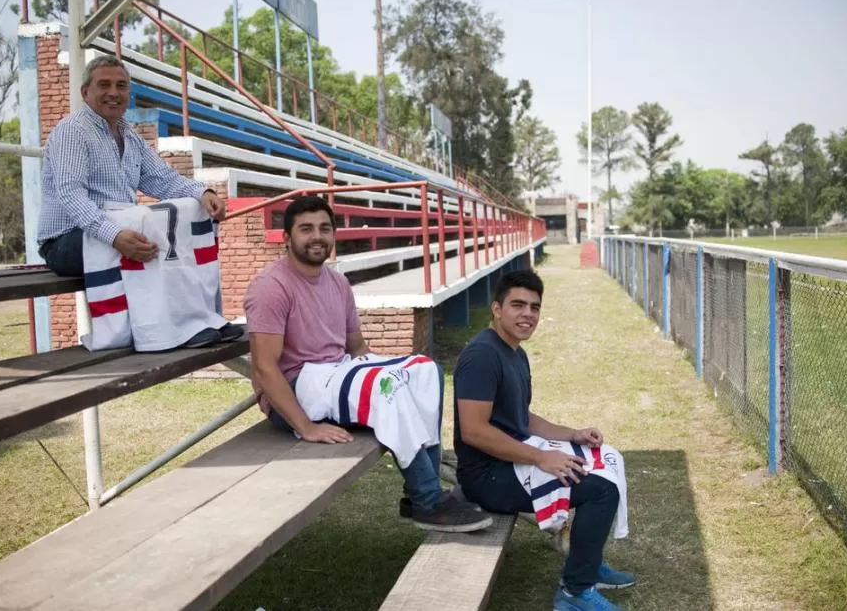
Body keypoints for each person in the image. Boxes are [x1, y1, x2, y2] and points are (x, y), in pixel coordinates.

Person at [244, 195, 492, 533]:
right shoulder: (271, 287)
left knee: (423, 371)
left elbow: (357, 347)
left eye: (324, 228)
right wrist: (305, 426)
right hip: (295, 388)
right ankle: (428, 500)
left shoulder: (337, 282)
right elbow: (264, 368)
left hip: (336, 373)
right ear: (287, 238)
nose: (317, 236)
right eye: (306, 229)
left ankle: (424, 490)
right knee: (386, 387)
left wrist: (382, 369)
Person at [453, 269, 636, 611]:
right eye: (517, 305)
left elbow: (520, 417)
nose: (527, 314)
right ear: (496, 308)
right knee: (599, 488)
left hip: (511, 460)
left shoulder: (515, 351)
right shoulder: (482, 356)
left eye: (534, 307)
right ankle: (575, 592)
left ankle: (588, 566)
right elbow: (474, 431)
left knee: (604, 458)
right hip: (487, 477)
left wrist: (572, 434)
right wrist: (541, 459)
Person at [37, 54, 241, 348]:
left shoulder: (129, 135)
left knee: (186, 215)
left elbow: (164, 180)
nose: (113, 93)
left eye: (121, 86)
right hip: (66, 242)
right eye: (104, 85)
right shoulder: (72, 131)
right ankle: (163, 334)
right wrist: (115, 236)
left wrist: (203, 193)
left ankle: (200, 320)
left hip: (113, 232)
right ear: (86, 92)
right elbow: (71, 195)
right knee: (154, 233)